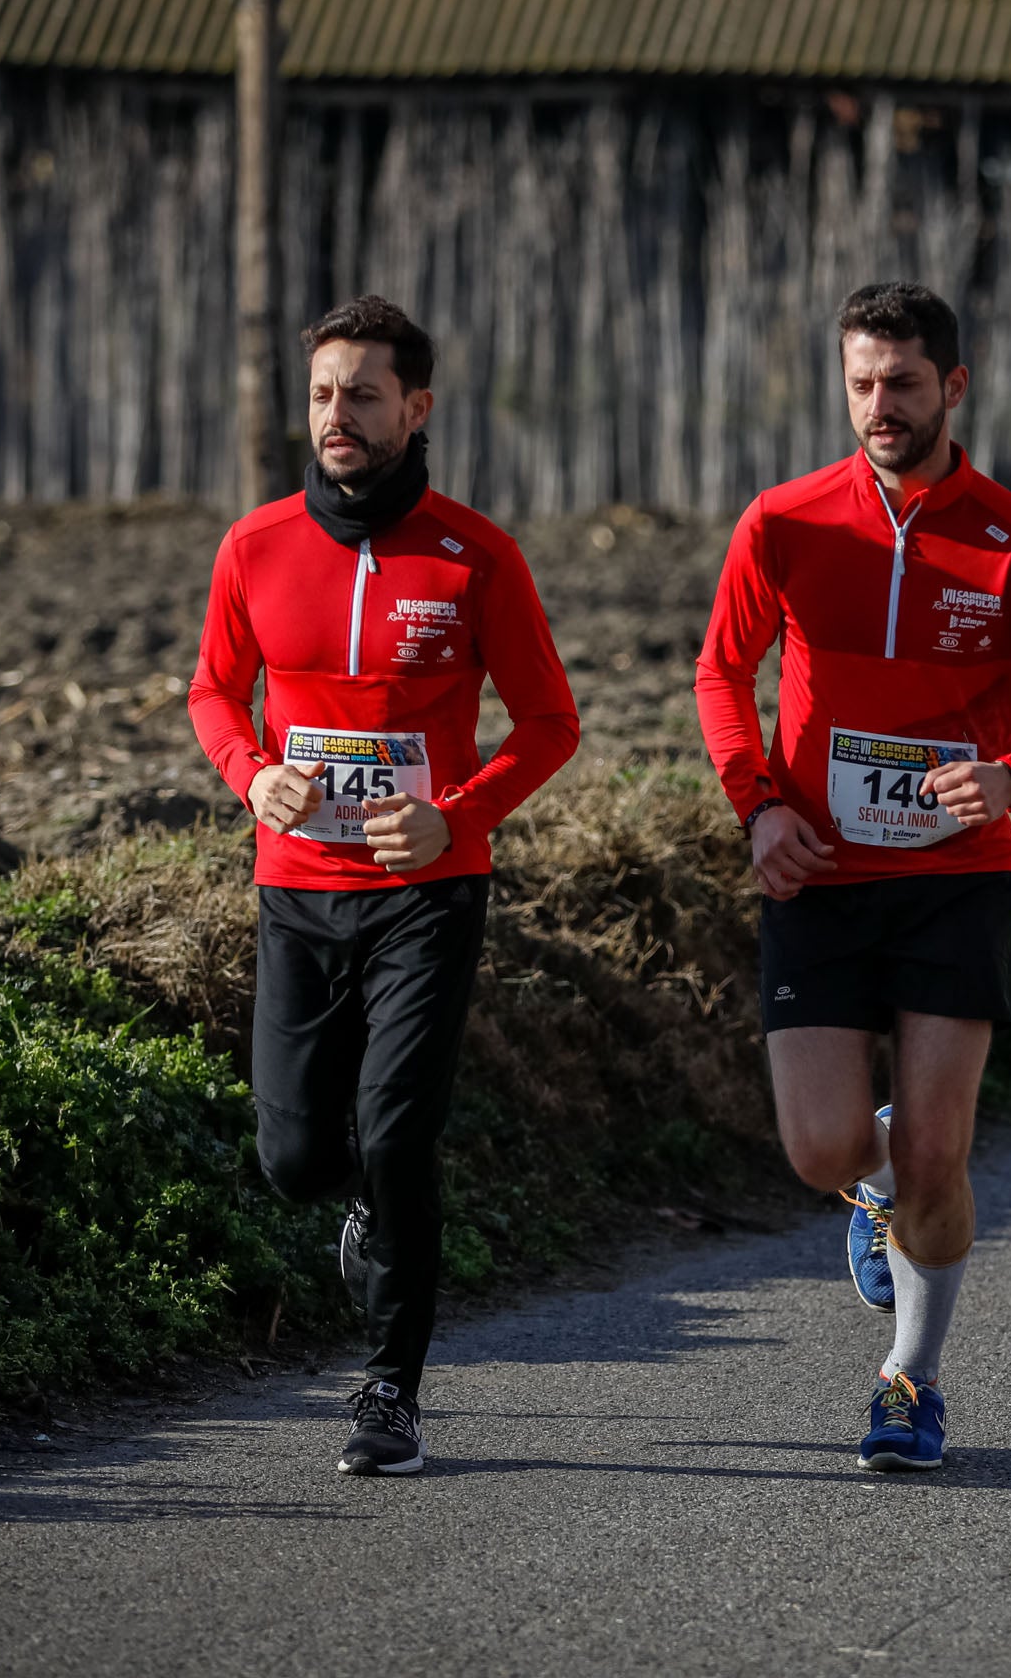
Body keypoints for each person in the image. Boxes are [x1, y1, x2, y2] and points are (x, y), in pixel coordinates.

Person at [694, 281, 1011, 1472]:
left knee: (944, 1149)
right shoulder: (783, 522)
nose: (880, 405)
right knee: (823, 1149)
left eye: (904, 383)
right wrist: (759, 805)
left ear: (955, 387)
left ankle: (911, 1379)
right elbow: (722, 674)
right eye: (862, 383)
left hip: (956, 874)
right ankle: (871, 1179)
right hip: (817, 871)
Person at [188, 294, 582, 1476]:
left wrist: (451, 814)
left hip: (430, 889)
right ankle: (367, 1211)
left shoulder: (474, 554)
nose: (337, 414)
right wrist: (250, 772)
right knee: (299, 1158)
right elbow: (212, 691)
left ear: (416, 408)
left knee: (397, 1129)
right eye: (321, 392)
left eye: (363, 393)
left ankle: (389, 1386)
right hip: (296, 886)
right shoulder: (253, 547)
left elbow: (550, 724)